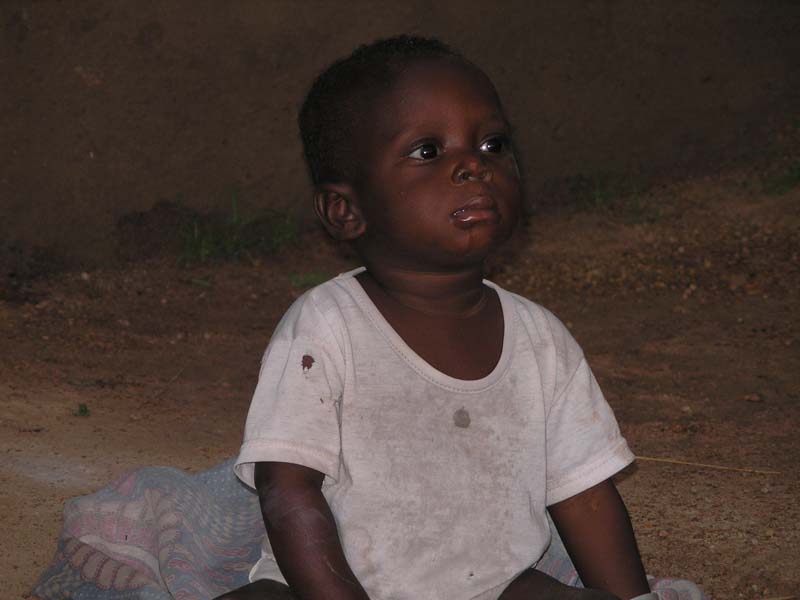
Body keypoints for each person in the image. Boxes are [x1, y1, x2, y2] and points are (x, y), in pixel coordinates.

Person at [219, 35, 660, 600]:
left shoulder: (540, 339)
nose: (474, 165)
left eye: (493, 144)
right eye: (429, 151)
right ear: (345, 210)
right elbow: (287, 491)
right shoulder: (326, 326)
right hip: (331, 586)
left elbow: (586, 497)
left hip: (495, 587)